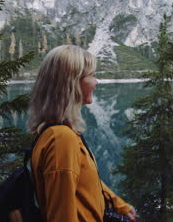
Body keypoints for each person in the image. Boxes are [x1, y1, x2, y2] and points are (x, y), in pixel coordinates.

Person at [28, 45, 137, 221]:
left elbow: (84, 182)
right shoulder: (61, 139)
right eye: (92, 75)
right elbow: (61, 216)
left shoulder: (58, 133)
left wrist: (118, 204)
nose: (96, 82)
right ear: (71, 82)